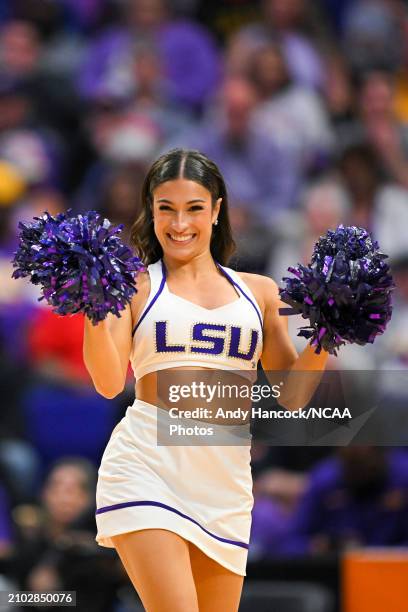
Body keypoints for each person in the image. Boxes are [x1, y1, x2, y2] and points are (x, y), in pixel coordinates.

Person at [83, 149, 329, 611]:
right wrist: (94, 307)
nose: (180, 224)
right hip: (147, 468)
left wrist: (327, 332)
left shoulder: (258, 292)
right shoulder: (133, 287)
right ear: (150, 212)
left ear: (216, 211)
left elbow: (293, 397)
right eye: (166, 209)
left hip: (225, 483)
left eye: (194, 208)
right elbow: (109, 382)